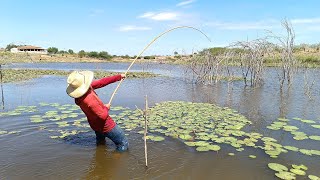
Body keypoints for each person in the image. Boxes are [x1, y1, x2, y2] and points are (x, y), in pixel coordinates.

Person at [66, 70, 129, 151]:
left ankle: (100, 157)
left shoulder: (81, 94)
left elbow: (101, 82)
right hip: (106, 125)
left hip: (94, 125)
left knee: (101, 142)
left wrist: (118, 77)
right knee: (123, 143)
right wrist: (106, 107)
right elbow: (103, 116)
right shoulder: (89, 99)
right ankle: (116, 159)